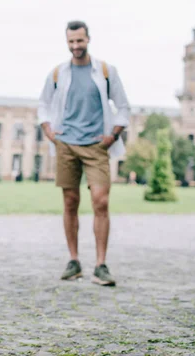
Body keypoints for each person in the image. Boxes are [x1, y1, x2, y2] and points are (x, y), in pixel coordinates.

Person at [37, 21, 130, 286]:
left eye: (80, 41)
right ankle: (74, 261)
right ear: (67, 42)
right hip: (65, 143)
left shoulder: (105, 71)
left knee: (100, 201)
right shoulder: (58, 73)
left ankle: (100, 265)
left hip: (96, 145)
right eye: (71, 42)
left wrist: (112, 136)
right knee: (70, 202)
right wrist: (48, 130)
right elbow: (43, 104)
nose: (75, 46)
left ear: (88, 39)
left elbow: (123, 106)